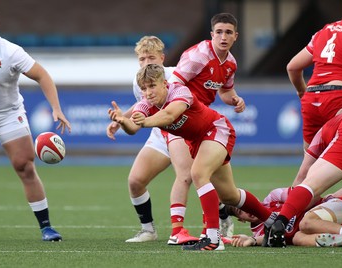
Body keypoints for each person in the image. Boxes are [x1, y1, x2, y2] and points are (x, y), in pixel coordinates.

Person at [108, 64, 272, 251]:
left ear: (164, 83)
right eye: (144, 88)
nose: (148, 92)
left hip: (217, 129)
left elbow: (169, 116)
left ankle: (212, 238)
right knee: (229, 195)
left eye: (152, 86)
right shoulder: (146, 103)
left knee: (198, 174)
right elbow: (133, 129)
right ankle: (272, 221)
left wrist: (144, 121)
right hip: (197, 141)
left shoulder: (179, 91)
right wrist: (124, 122)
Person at [0, 6, 71, 242]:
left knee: (24, 166)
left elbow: (42, 75)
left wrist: (56, 108)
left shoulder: (10, 51)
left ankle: (46, 227)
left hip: (9, 113)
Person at [106, 36, 199, 245]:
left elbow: (176, 109)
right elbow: (144, 105)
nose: (146, 63)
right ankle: (148, 230)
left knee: (191, 176)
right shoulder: (138, 81)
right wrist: (123, 119)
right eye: (141, 59)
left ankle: (216, 221)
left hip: (179, 130)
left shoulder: (176, 75)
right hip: (158, 134)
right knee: (135, 181)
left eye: (151, 58)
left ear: (162, 58)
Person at [168, 12, 245, 240]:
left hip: (203, 123)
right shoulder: (198, 56)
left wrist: (235, 99)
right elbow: (173, 85)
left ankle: (210, 230)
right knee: (186, 174)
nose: (223, 37)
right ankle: (177, 231)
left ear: (235, 36)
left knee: (205, 175)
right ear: (212, 34)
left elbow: (225, 90)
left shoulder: (230, 63)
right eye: (219, 32)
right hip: (180, 118)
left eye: (228, 32)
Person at [286, 0, 342, 186]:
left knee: (307, 169)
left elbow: (292, 67)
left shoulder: (324, 31)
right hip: (341, 98)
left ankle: (286, 212)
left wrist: (302, 92)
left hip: (312, 98)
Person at [266, 109, 342, 247]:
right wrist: (337, 195)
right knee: (302, 231)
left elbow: (303, 178)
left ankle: (280, 222)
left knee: (311, 184)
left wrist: (285, 217)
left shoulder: (334, 125)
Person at [229, 188, 342, 247]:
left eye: (248, 205)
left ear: (254, 198)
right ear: (242, 220)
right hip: (337, 228)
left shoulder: (274, 197)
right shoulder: (258, 232)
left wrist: (288, 212)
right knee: (297, 239)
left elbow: (311, 195)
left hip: (336, 210)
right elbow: (261, 238)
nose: (248, 210)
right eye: (241, 211)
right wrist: (252, 240)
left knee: (306, 223)